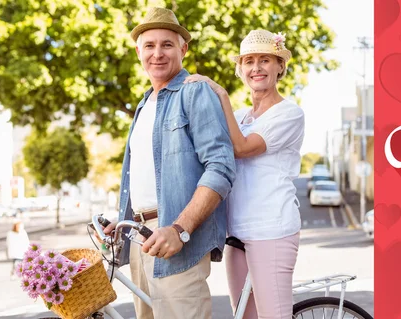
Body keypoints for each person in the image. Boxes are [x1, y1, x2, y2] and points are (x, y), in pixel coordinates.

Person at [103, 7, 236, 319]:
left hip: (176, 242)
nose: (157, 53)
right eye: (149, 45)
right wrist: (119, 221)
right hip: (139, 237)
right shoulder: (142, 105)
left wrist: (180, 229)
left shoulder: (194, 92)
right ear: (138, 51)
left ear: (183, 49)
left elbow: (221, 167)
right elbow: (147, 175)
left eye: (167, 44)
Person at [185, 29, 305, 319]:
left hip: (272, 230)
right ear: (240, 69)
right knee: (243, 316)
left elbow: (241, 147)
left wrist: (220, 94)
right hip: (236, 231)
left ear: (280, 67)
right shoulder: (238, 117)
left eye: (265, 60)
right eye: (249, 61)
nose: (256, 68)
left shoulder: (289, 113)